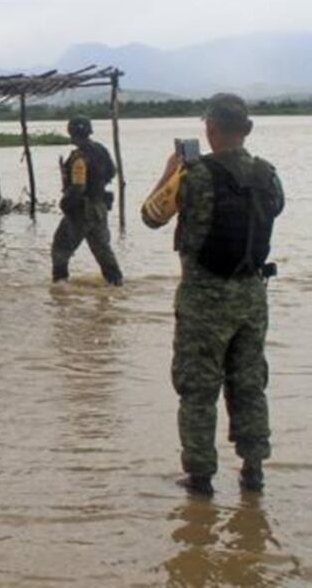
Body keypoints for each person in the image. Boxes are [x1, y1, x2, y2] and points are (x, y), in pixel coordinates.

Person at [141, 93, 284, 496]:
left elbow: (151, 216)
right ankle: (253, 471)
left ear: (210, 128)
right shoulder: (269, 175)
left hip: (204, 298)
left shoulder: (194, 174)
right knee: (250, 382)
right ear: (248, 129)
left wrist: (170, 173)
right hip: (253, 297)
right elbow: (274, 212)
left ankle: (201, 477)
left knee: (198, 389)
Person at [51, 116, 124, 285]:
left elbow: (78, 187)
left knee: (60, 249)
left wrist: (66, 203)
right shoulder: (100, 149)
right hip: (100, 207)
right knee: (102, 250)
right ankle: (116, 284)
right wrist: (97, 185)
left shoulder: (78, 157)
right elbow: (112, 172)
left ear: (71, 133)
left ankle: (60, 288)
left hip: (81, 210)